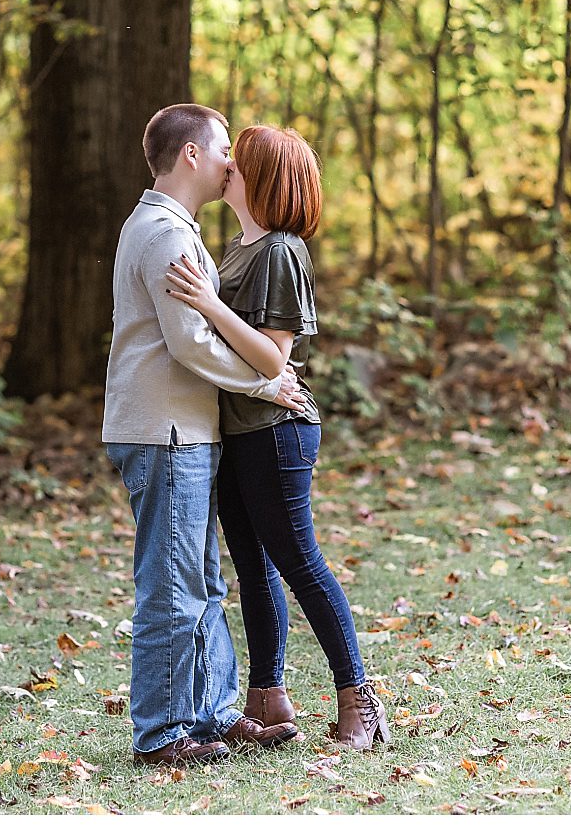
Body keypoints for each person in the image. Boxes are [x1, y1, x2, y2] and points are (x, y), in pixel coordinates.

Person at [164, 125, 390, 751]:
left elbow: (273, 356)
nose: (228, 164)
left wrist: (209, 304)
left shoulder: (282, 252)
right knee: (253, 566)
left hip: (278, 429)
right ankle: (267, 698)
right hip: (237, 428)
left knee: (299, 561)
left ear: (265, 178)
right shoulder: (239, 248)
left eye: (241, 159)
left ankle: (359, 700)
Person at [104, 104, 307, 767]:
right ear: (191, 154)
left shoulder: (172, 228)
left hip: (185, 428)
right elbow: (190, 343)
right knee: (172, 585)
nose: (230, 163)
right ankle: (162, 733)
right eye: (223, 150)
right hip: (165, 430)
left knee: (203, 580)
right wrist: (264, 384)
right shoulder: (166, 234)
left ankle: (216, 712)